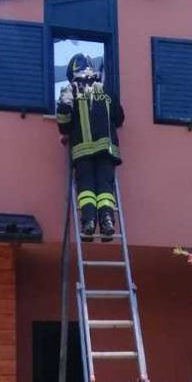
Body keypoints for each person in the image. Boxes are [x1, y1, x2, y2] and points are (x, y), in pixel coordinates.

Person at [56, 53, 124, 241]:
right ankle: (107, 222)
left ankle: (89, 223)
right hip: (106, 150)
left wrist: (65, 130)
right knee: (105, 188)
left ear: (72, 72)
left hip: (82, 151)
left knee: (86, 188)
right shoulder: (105, 89)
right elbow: (119, 117)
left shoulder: (71, 88)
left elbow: (63, 110)